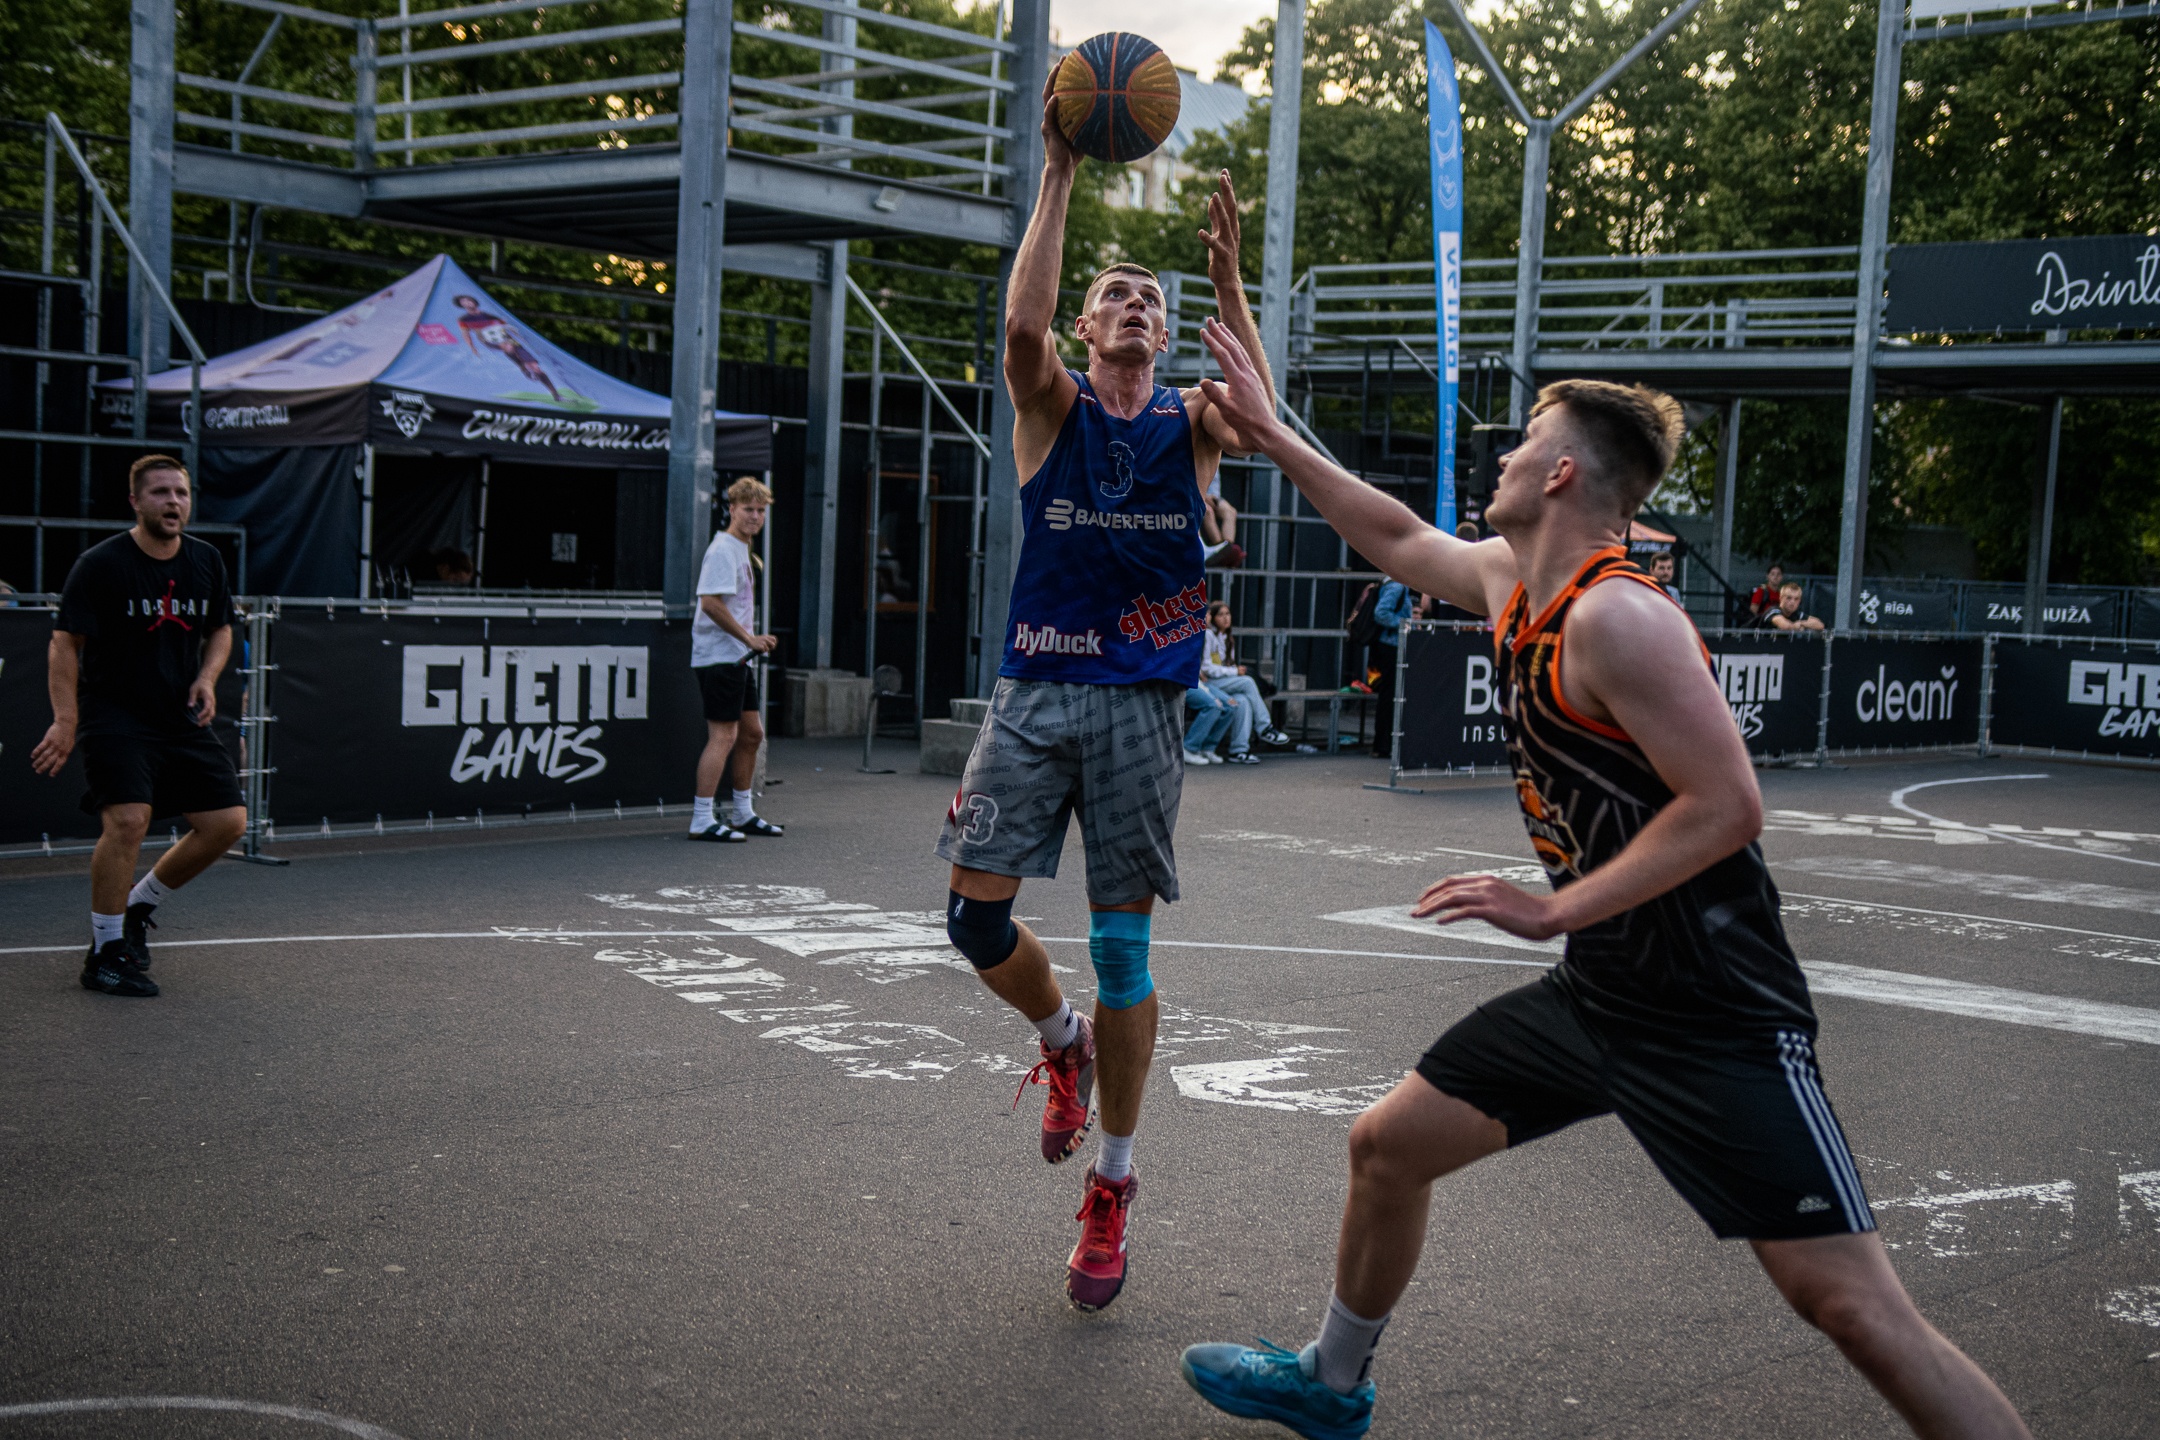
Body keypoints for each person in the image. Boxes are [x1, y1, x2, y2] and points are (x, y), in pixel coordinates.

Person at [1177, 319, 2031, 1440]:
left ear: (1563, 473)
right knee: (1388, 1146)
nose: (1504, 457)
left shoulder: (1622, 617)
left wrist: (1553, 910)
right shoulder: (1512, 580)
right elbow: (1391, 533)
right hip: (1603, 993)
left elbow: (1728, 805)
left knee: (1854, 1309)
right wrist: (1275, 435)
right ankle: (1331, 1388)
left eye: (1525, 441)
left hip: (1713, 1011)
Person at [933, 81, 1269, 1312]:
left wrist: (1229, 283)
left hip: (1140, 708)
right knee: (973, 923)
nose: (1137, 304)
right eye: (1116, 294)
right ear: (1085, 325)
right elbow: (1018, 329)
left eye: (1153, 299)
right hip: (1036, 689)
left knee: (1126, 950)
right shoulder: (1053, 405)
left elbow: (1262, 417)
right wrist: (1060, 170)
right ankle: (1060, 1039)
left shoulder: (1194, 423)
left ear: (1166, 336)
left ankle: (1114, 1184)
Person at [31, 455, 249, 999]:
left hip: (178, 715)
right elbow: (64, 643)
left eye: (181, 493)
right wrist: (65, 719)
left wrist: (206, 677)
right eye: (160, 493)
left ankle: (137, 905)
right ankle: (105, 954)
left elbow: (221, 628)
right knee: (129, 820)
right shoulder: (101, 564)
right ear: (135, 501)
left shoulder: (205, 560)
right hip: (115, 715)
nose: (173, 502)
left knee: (227, 823)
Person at [687, 477, 783, 842]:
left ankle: (743, 813)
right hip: (719, 656)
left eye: (761, 511)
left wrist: (749, 644)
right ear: (732, 510)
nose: (755, 517)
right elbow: (710, 604)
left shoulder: (742, 548)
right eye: (748, 510)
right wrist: (750, 638)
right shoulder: (723, 550)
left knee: (752, 734)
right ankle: (701, 818)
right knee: (724, 736)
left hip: (738, 656)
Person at [1197, 601, 1288, 765]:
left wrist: (1232, 670)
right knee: (1247, 682)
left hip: (1221, 681)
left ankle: (1239, 751)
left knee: (1243, 701)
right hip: (1210, 682)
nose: (1225, 618)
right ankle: (1265, 727)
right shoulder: (1209, 635)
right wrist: (1234, 671)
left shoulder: (1227, 638)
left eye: (1228, 614)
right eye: (1220, 615)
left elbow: (1223, 665)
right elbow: (1207, 668)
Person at [1368, 577, 1413, 757]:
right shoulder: (1397, 586)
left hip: (1389, 645)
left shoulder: (1393, 585)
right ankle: (1383, 744)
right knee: (1389, 695)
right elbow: (1381, 613)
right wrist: (1404, 624)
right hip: (1391, 645)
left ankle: (1383, 744)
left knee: (1389, 695)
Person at [1759, 580, 1825, 632]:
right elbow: (1785, 625)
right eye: (1789, 598)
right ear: (1781, 598)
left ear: (1799, 601)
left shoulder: (1796, 614)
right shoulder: (1773, 611)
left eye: (1796, 599)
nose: (1792, 602)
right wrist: (1795, 626)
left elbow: (1820, 625)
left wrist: (1801, 623)